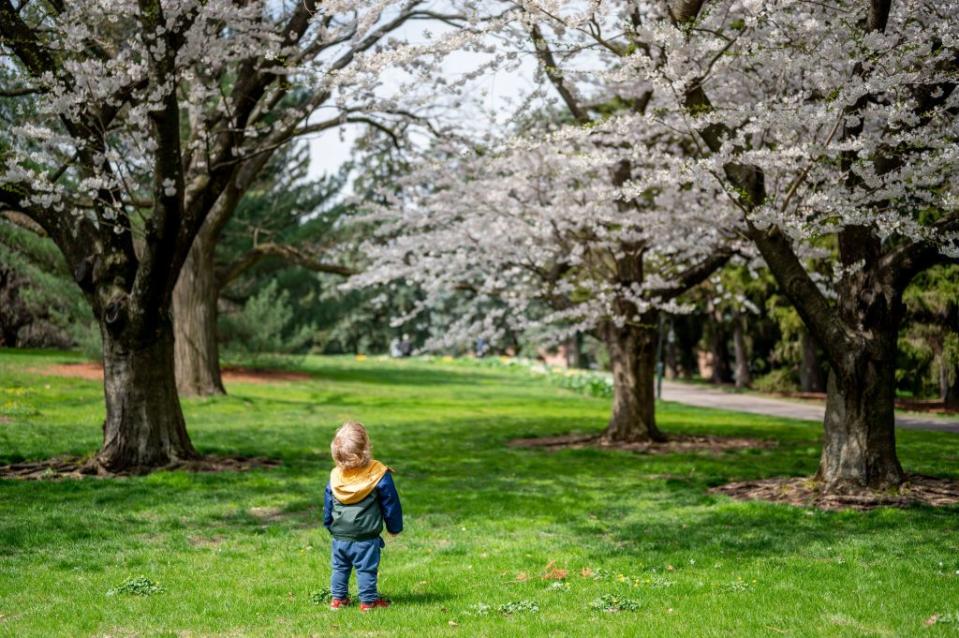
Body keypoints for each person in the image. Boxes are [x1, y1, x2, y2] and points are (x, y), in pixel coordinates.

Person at [323, 421, 403, 612]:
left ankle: (338, 600)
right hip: (366, 536)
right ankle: (368, 602)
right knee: (366, 568)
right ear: (366, 447)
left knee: (340, 567)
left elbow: (328, 505)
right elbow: (390, 503)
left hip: (340, 534)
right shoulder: (378, 474)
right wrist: (394, 527)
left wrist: (328, 523)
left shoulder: (336, 476)